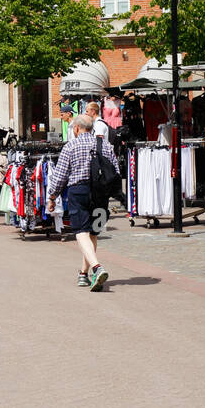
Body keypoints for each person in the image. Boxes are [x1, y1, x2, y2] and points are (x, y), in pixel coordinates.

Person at [47, 113, 119, 291]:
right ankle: (83, 274)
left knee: (80, 232)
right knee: (93, 233)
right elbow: (116, 170)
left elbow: (60, 175)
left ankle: (97, 267)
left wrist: (52, 197)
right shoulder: (105, 145)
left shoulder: (71, 146)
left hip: (78, 191)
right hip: (100, 193)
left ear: (77, 128)